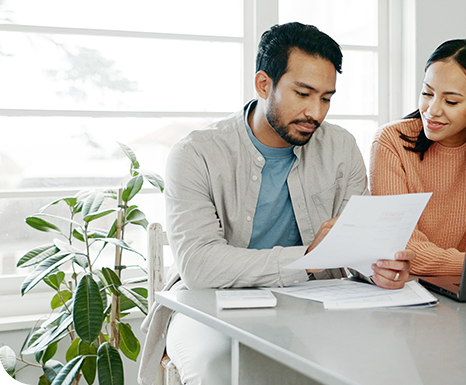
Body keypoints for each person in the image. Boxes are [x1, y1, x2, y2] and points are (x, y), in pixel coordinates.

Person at [138, 22, 415, 385]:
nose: (316, 112)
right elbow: (200, 267)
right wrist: (309, 259)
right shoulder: (195, 154)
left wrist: (379, 268)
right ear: (264, 84)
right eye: (303, 93)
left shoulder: (341, 147)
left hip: (315, 301)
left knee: (384, 358)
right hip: (210, 305)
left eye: (327, 98)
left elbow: (353, 250)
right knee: (220, 368)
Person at [369, 39, 466, 277]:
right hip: (411, 286)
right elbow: (399, 245)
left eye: (451, 101)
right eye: (427, 93)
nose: (432, 110)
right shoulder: (391, 141)